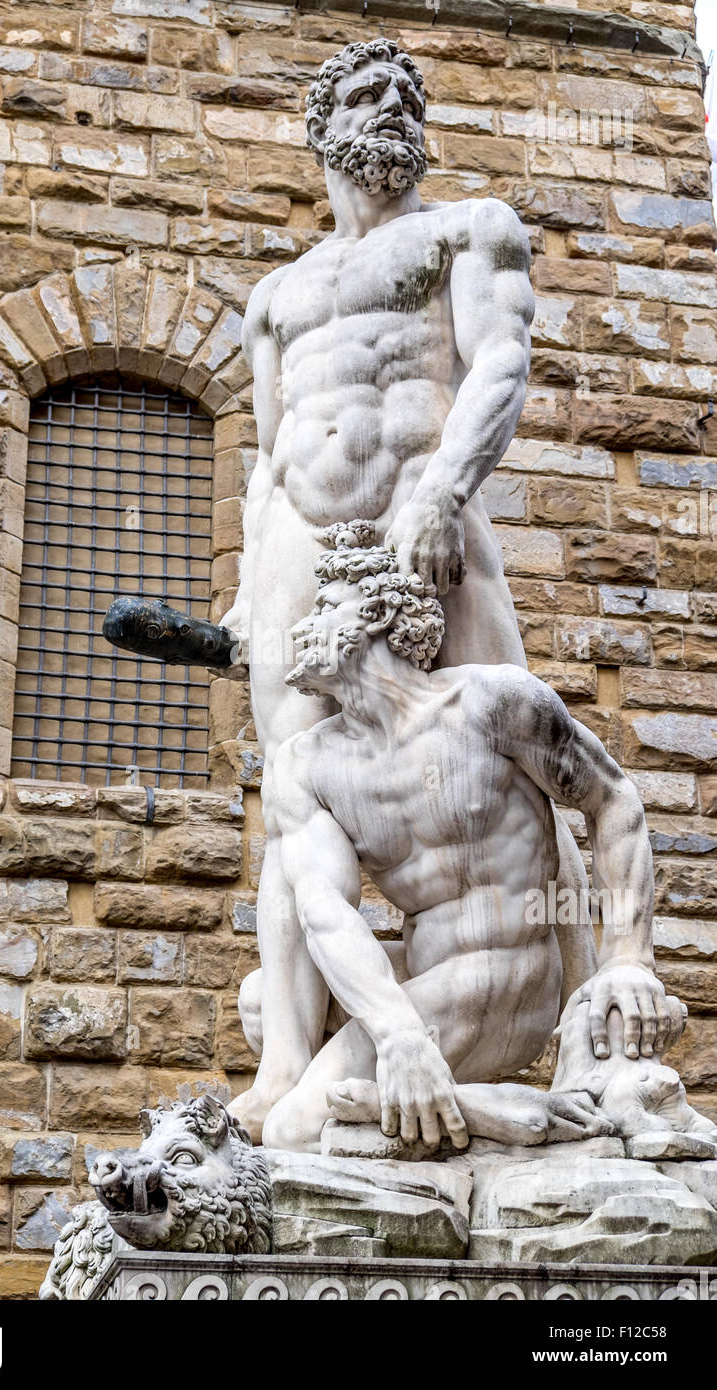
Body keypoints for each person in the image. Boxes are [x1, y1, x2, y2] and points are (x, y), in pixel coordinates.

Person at [223, 39, 593, 1139]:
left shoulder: (463, 228)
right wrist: (250, 586)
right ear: (321, 120)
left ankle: (580, 1021)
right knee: (294, 805)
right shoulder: (274, 295)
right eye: (366, 91)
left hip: (425, 522)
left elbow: (497, 361)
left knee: (517, 763)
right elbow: (265, 445)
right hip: (298, 541)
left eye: (406, 95)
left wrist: (441, 488)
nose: (392, 105)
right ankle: (285, 1065)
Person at [254, 523, 706, 1155]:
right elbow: (324, 909)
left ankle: (456, 1107)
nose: (303, 626)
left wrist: (627, 956)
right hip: (431, 979)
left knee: (293, 1129)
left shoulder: (491, 702)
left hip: (508, 974)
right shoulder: (307, 765)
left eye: (326, 608)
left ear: (379, 612)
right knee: (258, 1004)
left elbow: (612, 799)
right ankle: (501, 1112)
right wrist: (399, 1036)